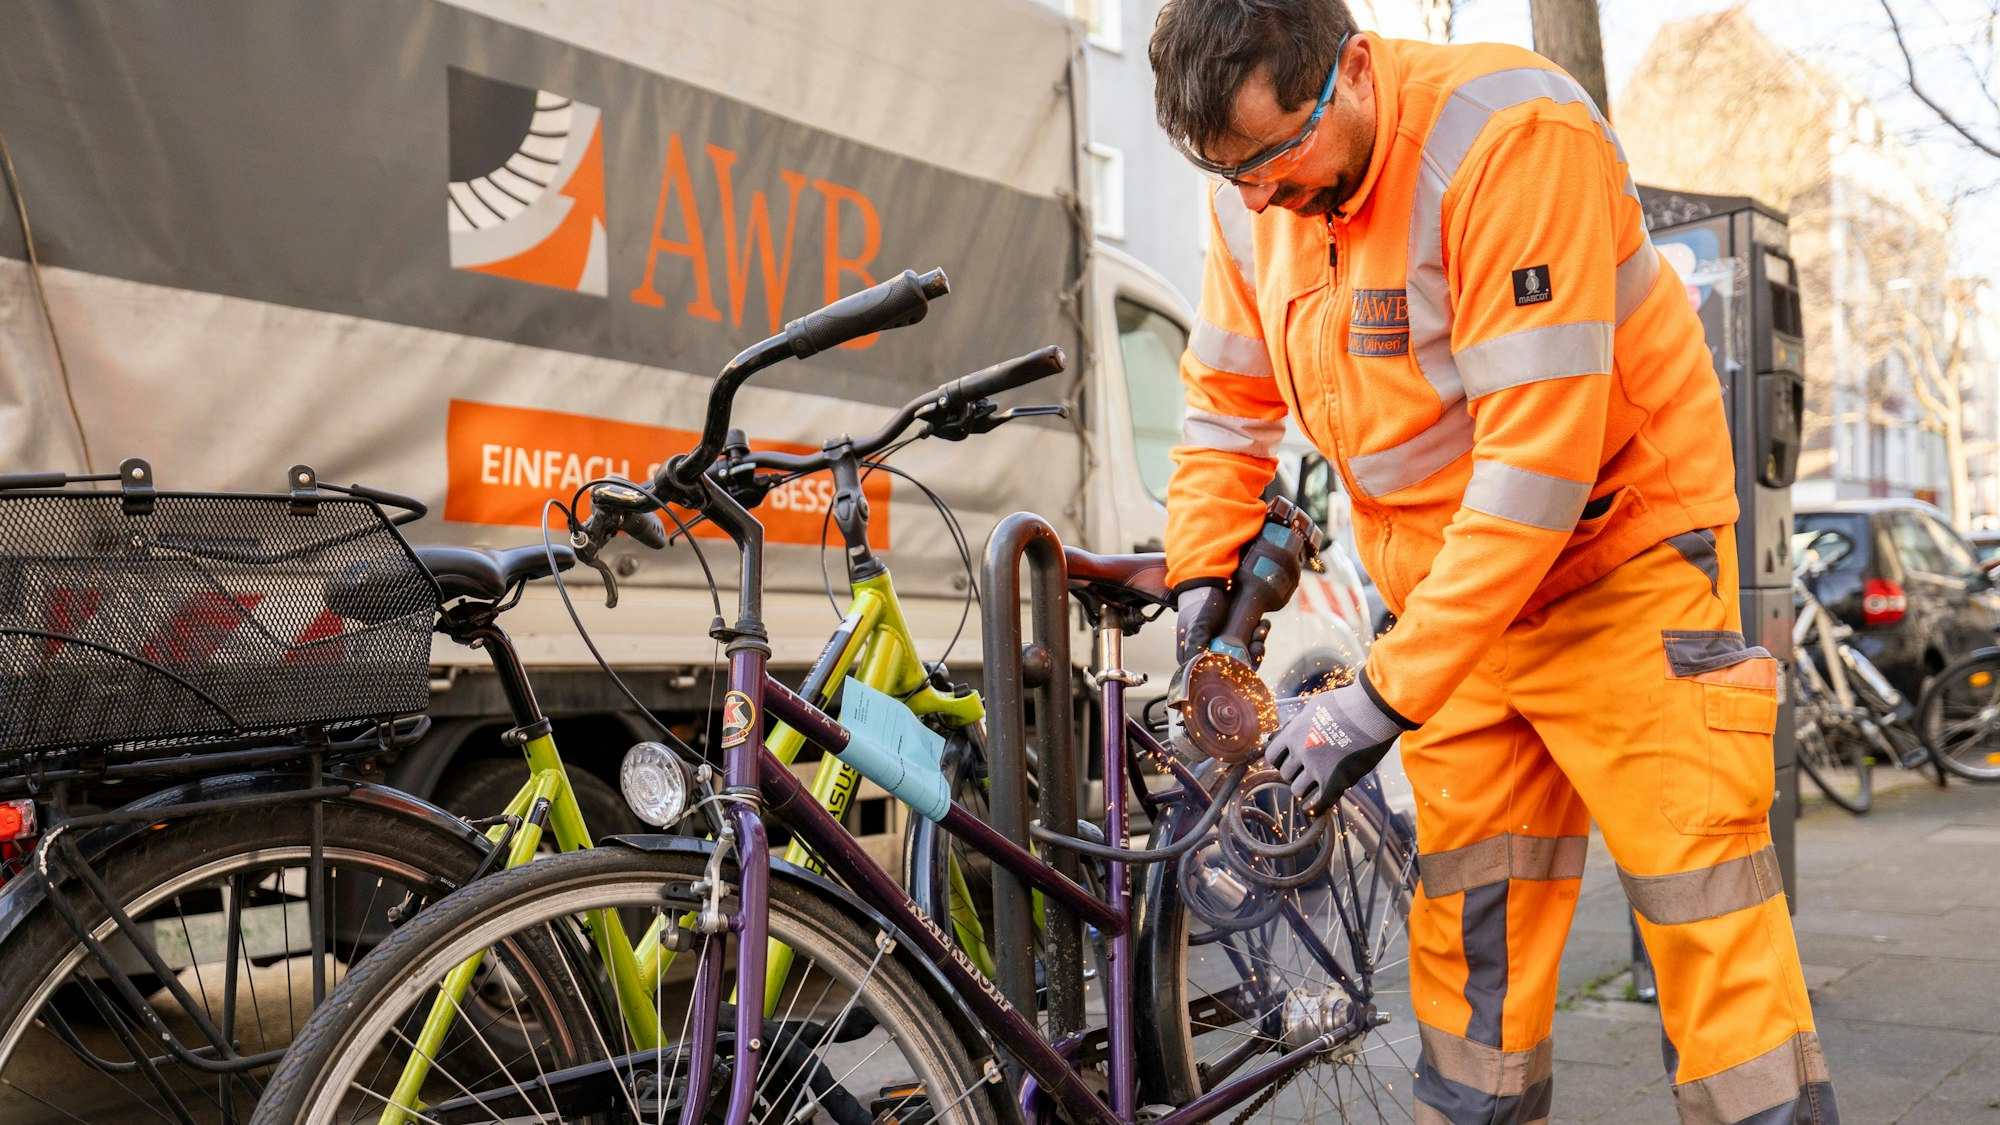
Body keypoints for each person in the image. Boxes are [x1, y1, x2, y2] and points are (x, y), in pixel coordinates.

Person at [1150, 3, 1838, 1123]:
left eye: (1275, 157)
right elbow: (1226, 407)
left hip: (1619, 574)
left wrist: (1375, 700)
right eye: (1230, 173)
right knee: (1472, 944)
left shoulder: (1508, 137)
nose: (1259, 197)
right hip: (1450, 614)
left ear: (1355, 69)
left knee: (1707, 928)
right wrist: (1198, 578)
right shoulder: (1256, 205)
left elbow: (1534, 467)